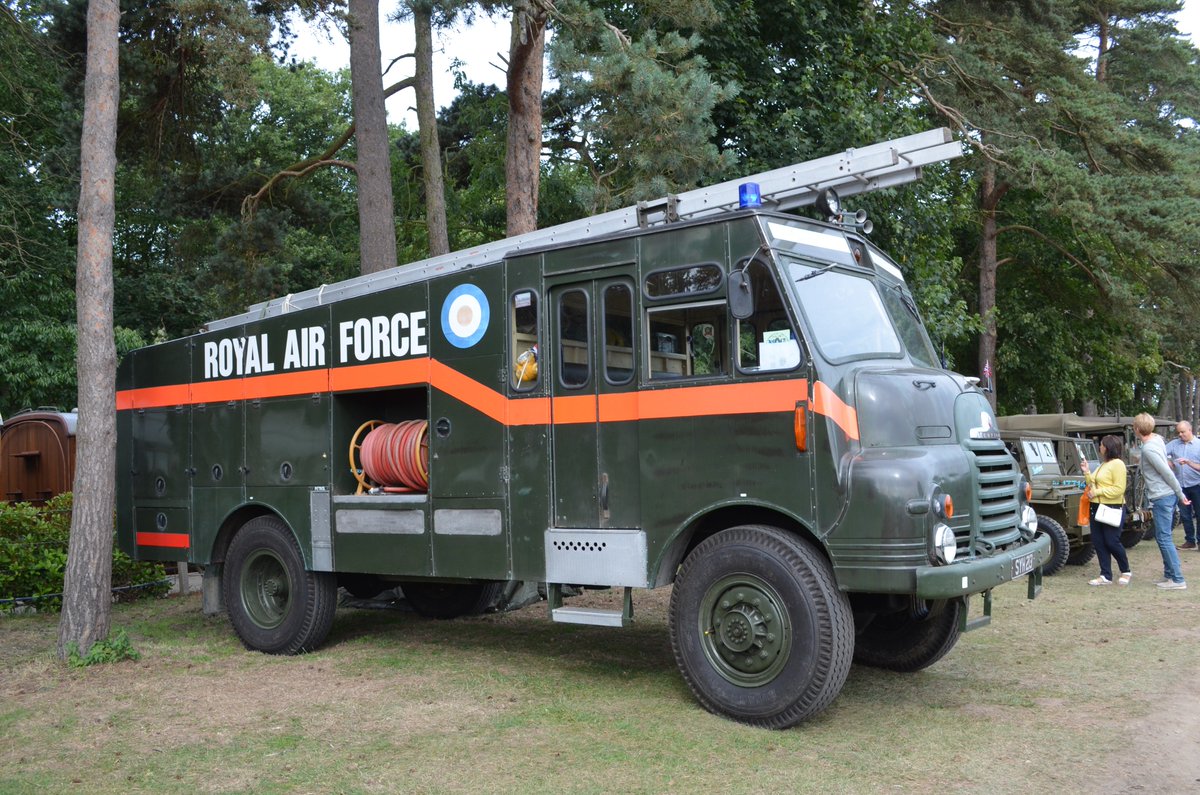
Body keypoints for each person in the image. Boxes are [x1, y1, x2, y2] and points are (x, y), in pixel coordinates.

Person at [1133, 413, 1190, 590]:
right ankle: (1169, 575)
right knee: (1162, 537)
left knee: (1164, 538)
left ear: (1137, 429)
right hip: (1165, 496)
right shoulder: (1156, 440)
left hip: (1163, 496)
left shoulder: (1149, 449)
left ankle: (1178, 580)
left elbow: (1166, 472)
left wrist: (1180, 493)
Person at [1080, 435, 1131, 586]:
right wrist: (1087, 472)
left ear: (1107, 447)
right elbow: (1092, 483)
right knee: (1099, 541)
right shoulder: (1103, 464)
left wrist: (1097, 492)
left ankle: (1126, 570)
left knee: (1112, 541)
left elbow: (1119, 489)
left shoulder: (1118, 464)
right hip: (1096, 506)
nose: (1100, 447)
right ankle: (1105, 575)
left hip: (1112, 506)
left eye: (1101, 445)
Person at [1165, 420, 1200, 550]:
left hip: (1197, 485)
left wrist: (1189, 462)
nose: (1180, 434)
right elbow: (1159, 453)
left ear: (1190, 430)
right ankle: (1190, 541)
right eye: (1178, 432)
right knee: (1185, 515)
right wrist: (1168, 462)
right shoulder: (1174, 444)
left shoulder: (1198, 445)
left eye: (1182, 432)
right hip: (1181, 486)